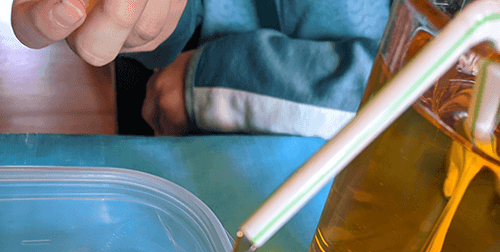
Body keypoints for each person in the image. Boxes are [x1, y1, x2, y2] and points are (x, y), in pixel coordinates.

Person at [11, 0, 391, 137]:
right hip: (171, 101)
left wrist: (209, 75)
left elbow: (435, 82)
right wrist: (163, 19)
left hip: (360, 184)